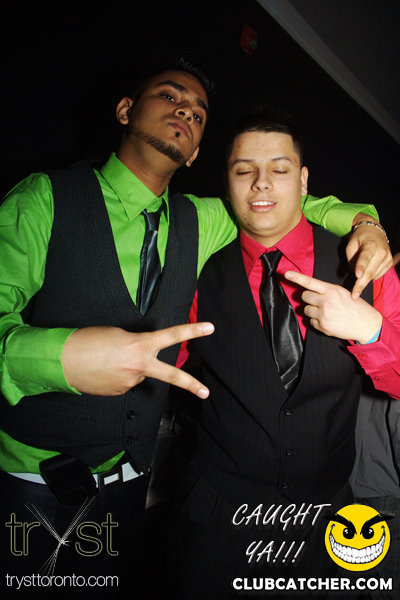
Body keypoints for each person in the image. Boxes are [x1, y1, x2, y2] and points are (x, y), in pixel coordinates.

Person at [0, 60, 391, 598]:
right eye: (169, 95)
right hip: (37, 479)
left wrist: (367, 225)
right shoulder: (43, 198)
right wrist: (60, 356)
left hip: (137, 480)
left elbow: (286, 202)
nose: (185, 110)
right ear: (125, 110)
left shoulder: (204, 219)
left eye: (199, 112)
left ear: (195, 154)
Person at [169, 107, 400, 599]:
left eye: (279, 168)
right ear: (227, 182)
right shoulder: (196, 271)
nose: (261, 183)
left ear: (303, 180)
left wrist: (371, 330)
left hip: (330, 516)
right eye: (244, 170)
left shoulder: (365, 262)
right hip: (221, 513)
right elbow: (172, 364)